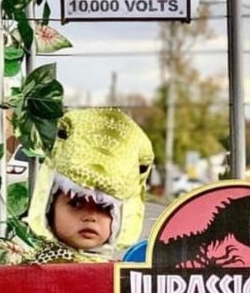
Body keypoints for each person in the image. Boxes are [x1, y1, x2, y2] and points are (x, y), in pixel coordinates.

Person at [25, 107, 154, 264]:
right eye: (76, 203)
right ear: (49, 206)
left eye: (105, 208)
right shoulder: (34, 270)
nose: (91, 217)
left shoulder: (122, 275)